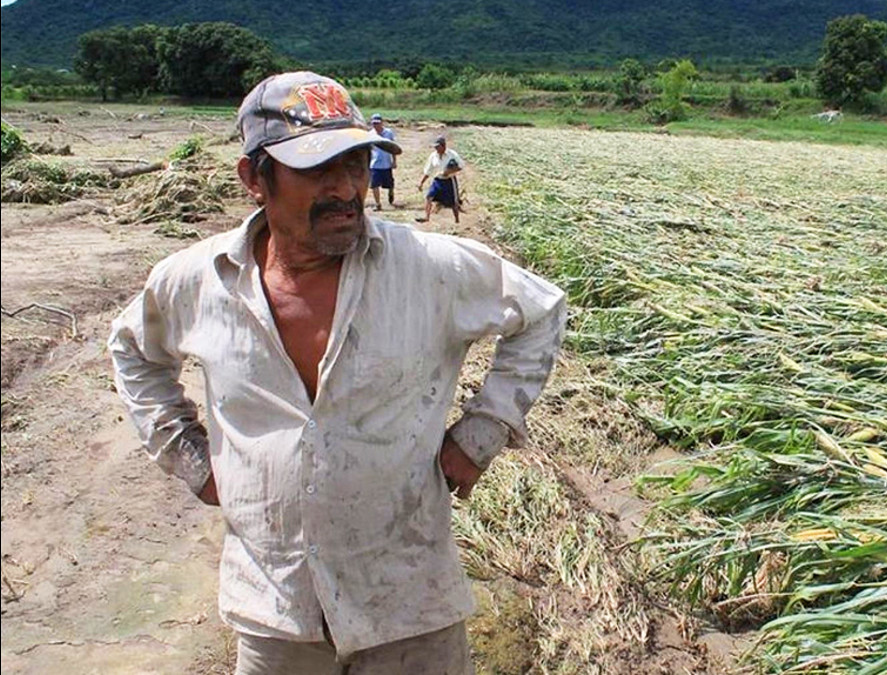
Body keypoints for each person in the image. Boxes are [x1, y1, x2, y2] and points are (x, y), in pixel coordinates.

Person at [107, 71, 566, 675]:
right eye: (317, 169)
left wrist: (482, 432)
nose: (346, 189)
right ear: (254, 179)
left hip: (406, 598)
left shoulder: (428, 267)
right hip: (274, 606)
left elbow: (541, 311)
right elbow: (133, 351)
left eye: (355, 163)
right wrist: (191, 458)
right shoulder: (196, 280)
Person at [417, 136, 464, 224]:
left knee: (454, 202)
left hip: (449, 180)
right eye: (435, 147)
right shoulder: (433, 156)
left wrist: (449, 171)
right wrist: (421, 182)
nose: (436, 149)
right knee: (429, 197)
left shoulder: (452, 154)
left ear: (444, 146)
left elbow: (461, 166)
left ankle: (457, 220)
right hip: (437, 180)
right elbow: (428, 170)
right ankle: (426, 217)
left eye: (438, 147)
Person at [368, 113, 400, 210]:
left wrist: (394, 161)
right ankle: (378, 204)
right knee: (374, 185)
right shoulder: (370, 135)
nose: (376, 126)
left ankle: (391, 192)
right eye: (374, 124)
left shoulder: (388, 133)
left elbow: (393, 148)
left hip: (386, 164)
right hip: (374, 164)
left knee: (389, 183)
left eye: (377, 123)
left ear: (382, 123)